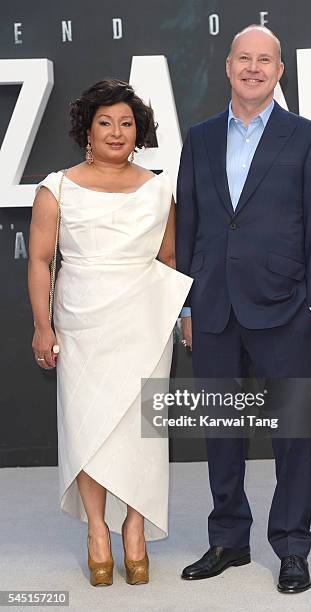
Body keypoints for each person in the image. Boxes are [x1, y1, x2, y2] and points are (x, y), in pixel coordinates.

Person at [176, 25, 311, 593]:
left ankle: (293, 547)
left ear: (279, 71)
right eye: (243, 58)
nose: (253, 67)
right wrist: (186, 305)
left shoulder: (307, 138)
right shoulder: (197, 138)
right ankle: (228, 539)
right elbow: (191, 224)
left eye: (264, 60)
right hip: (214, 305)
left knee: (292, 434)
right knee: (222, 429)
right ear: (227, 66)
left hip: (286, 306)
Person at [28, 79, 192, 587]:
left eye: (126, 123)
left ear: (138, 130)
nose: (117, 132)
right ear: (87, 130)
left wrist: (181, 315)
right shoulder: (56, 188)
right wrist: (41, 325)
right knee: (88, 430)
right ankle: (98, 531)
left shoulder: (160, 187)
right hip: (80, 324)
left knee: (144, 430)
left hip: (144, 325)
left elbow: (168, 258)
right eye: (106, 122)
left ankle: (135, 526)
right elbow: (39, 261)